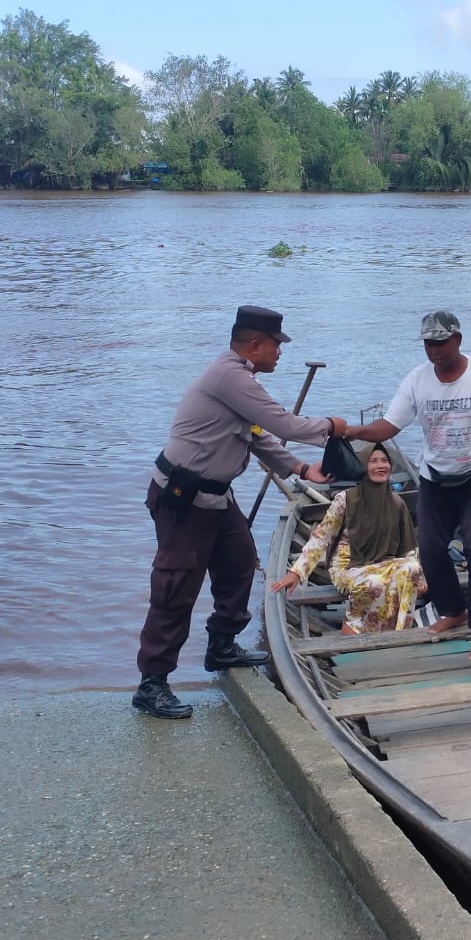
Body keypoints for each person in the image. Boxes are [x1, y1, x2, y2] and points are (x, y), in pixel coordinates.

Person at [134, 305, 348, 719]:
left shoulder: (239, 379)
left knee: (238, 565)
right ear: (255, 344)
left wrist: (301, 468)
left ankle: (222, 646)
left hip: (216, 497)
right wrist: (333, 426)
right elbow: (285, 425)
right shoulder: (230, 376)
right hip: (183, 499)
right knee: (176, 588)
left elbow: (256, 435)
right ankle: (152, 684)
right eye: (276, 346)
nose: (279, 354)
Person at [347, 310, 471, 663]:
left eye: (440, 342)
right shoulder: (418, 380)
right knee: (430, 549)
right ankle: (453, 610)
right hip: (434, 476)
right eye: (428, 343)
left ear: (457, 339)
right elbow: (389, 427)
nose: (433, 350)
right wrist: (351, 431)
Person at [270, 443, 426, 634]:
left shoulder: (396, 502)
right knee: (373, 582)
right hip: (348, 565)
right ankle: (353, 626)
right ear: (363, 467)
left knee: (411, 568)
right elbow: (321, 537)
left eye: (384, 461)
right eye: (373, 461)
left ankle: (399, 631)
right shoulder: (346, 500)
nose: (380, 465)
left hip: (384, 561)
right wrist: (297, 572)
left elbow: (408, 547)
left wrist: (420, 578)